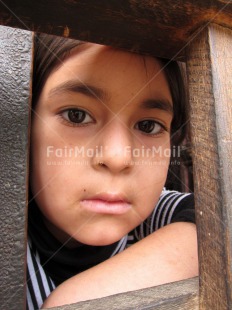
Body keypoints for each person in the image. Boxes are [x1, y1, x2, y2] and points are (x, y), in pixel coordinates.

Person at [27, 33, 198, 310]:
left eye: (148, 126)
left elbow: (216, 217)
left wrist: (74, 301)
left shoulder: (157, 219)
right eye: (76, 115)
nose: (118, 157)